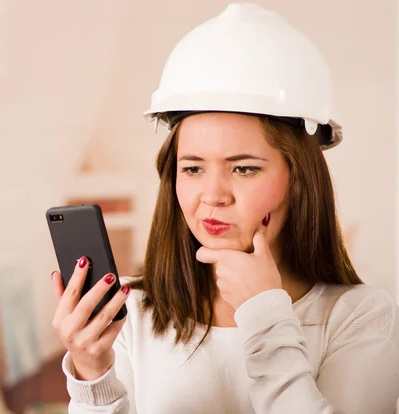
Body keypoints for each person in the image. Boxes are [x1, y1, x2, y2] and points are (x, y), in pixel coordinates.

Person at [49, 3, 399, 413]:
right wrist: (93, 374)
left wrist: (265, 318)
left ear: (300, 179)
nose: (213, 196)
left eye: (245, 169)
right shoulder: (132, 312)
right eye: (193, 168)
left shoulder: (360, 317)